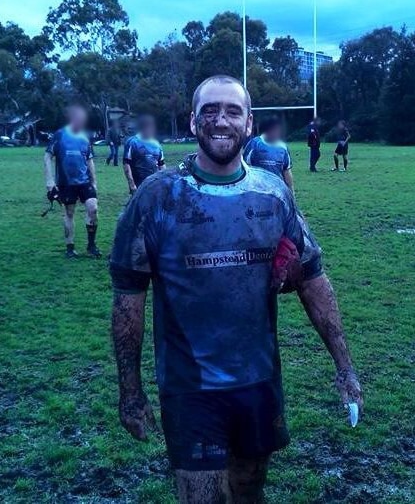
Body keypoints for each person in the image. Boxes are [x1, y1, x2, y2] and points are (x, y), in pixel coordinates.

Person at [110, 76, 362, 504]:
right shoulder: (156, 198)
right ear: (193, 121)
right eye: (209, 110)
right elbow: (127, 301)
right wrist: (130, 392)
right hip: (191, 388)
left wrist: (344, 365)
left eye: (232, 111)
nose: (220, 120)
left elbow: (313, 279)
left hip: (258, 380)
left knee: (250, 492)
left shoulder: (273, 193)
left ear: (249, 124)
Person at [44, 104, 101, 258]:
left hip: (85, 181)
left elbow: (90, 161)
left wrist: (94, 182)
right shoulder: (59, 135)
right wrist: (49, 181)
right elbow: (48, 156)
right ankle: (70, 247)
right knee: (69, 213)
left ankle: (91, 245)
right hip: (66, 182)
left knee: (93, 208)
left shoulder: (84, 137)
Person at [243, 115, 294, 192]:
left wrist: (291, 192)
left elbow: (286, 171)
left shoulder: (283, 147)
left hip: (277, 191)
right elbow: (245, 167)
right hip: (257, 190)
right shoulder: (254, 144)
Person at [122, 114, 165, 194]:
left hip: (155, 184)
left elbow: (161, 165)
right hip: (139, 185)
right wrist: (132, 184)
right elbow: (126, 164)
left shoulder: (157, 144)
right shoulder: (132, 142)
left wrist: (165, 182)